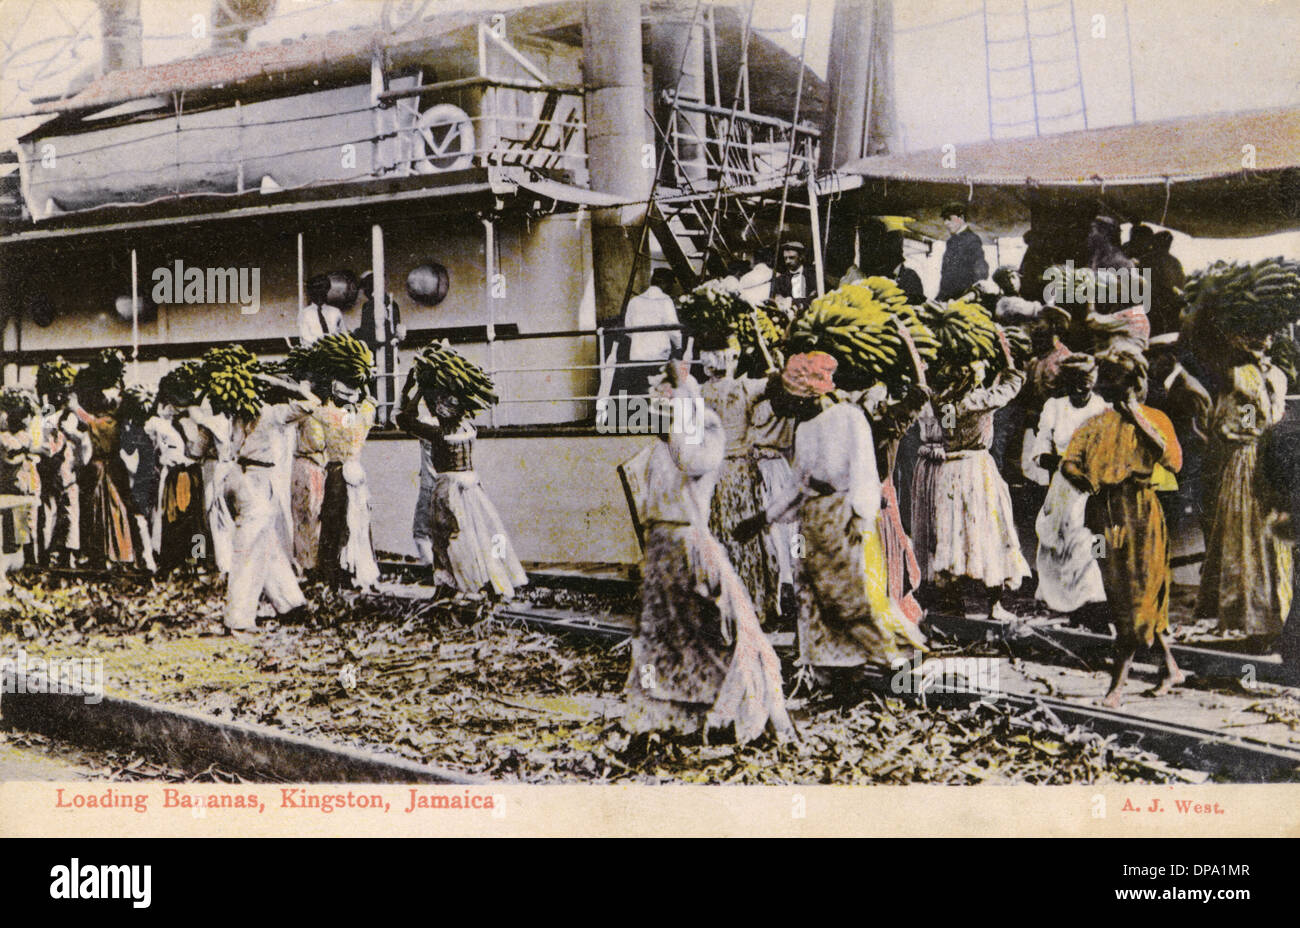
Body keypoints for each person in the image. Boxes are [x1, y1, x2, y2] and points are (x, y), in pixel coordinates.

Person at [623, 361, 793, 745]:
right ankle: (668, 720)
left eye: (668, 394)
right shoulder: (661, 444)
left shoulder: (708, 434)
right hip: (664, 549)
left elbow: (689, 459)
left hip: (692, 545)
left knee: (723, 632)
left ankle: (739, 714)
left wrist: (684, 394)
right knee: (666, 641)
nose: (662, 400)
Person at [736, 353, 925, 687]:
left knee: (854, 594)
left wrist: (859, 514)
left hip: (843, 514)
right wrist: (763, 518)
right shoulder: (804, 428)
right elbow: (798, 484)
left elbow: (865, 468)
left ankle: (893, 657)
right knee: (812, 594)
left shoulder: (848, 417)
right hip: (813, 519)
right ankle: (830, 666)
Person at [1060, 349, 1183, 706]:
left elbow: (1171, 460)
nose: (1118, 390)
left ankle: (1116, 688)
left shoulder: (1156, 418)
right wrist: (1087, 482)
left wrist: (1138, 419)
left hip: (1141, 513)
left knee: (1139, 596)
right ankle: (1170, 668)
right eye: (1112, 382)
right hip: (1104, 515)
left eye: (1122, 382)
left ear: (1135, 384)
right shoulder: (1096, 424)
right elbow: (1070, 462)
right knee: (1123, 599)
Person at [395, 356, 527, 600]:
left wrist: (414, 390)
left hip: (448, 489)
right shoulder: (469, 428)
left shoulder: (438, 433)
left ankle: (449, 585)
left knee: (444, 540)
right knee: (481, 535)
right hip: (472, 486)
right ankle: (491, 583)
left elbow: (403, 419)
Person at [1195, 334, 1292, 643]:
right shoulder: (1236, 376)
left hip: (1274, 456)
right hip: (1249, 459)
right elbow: (1225, 425)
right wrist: (1248, 438)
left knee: (1278, 533)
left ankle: (1280, 613)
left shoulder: (1277, 374)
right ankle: (1252, 616)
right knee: (1249, 535)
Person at [928, 359, 1031, 620]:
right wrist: (1009, 358)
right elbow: (1013, 385)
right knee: (990, 531)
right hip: (976, 469)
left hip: (950, 470)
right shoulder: (979, 401)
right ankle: (994, 605)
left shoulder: (944, 403)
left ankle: (954, 602)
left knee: (955, 533)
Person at [224, 374, 319, 634]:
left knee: (268, 543)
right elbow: (312, 403)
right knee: (250, 548)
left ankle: (289, 602)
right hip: (258, 480)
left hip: (238, 478)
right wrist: (289, 386)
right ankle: (238, 618)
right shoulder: (274, 413)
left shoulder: (239, 413)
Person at [698, 339, 777, 623]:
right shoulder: (744, 388)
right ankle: (754, 605)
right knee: (747, 541)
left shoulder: (699, 393)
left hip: (713, 476)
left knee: (721, 541)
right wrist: (759, 337)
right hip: (741, 475)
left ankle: (726, 607)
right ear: (730, 359)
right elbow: (776, 378)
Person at [1032, 354, 1109, 619]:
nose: (1082, 388)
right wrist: (1064, 463)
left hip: (1091, 486)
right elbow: (1039, 451)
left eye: (1087, 382)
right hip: (1063, 485)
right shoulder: (1054, 407)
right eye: (1076, 381)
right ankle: (1057, 598)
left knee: (1089, 538)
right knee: (1057, 541)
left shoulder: (1101, 407)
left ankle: (1092, 599)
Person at [315, 379, 380, 590]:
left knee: (334, 522)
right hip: (356, 472)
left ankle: (333, 572)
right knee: (357, 522)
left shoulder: (328, 415)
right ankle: (353, 570)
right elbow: (370, 404)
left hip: (337, 472)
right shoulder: (361, 416)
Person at [614, 268, 681, 399]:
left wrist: (641, 341)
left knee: (641, 396)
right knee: (660, 397)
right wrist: (679, 346)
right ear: (664, 283)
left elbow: (629, 330)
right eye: (671, 285)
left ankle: (643, 418)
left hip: (637, 356)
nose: (671, 288)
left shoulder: (634, 301)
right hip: (658, 356)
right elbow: (674, 330)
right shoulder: (665, 300)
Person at [356, 271, 404, 424]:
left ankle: (380, 418)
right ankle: (385, 418)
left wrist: (359, 335)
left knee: (379, 385)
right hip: (385, 352)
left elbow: (367, 333)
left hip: (378, 353)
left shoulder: (371, 306)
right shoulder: (390, 303)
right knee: (386, 385)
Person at [936, 203, 989, 300]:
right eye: (944, 219)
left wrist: (971, 295)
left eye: (949, 218)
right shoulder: (951, 241)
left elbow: (981, 270)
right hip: (947, 297)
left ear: (961, 217)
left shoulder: (972, 239)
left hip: (963, 299)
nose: (945, 223)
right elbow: (947, 275)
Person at [297, 274, 344, 347]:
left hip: (335, 351)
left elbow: (343, 334)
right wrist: (324, 343)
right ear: (310, 292)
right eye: (315, 291)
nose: (319, 294)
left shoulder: (335, 312)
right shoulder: (305, 314)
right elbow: (306, 337)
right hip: (315, 352)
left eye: (322, 291)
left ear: (327, 291)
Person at [770, 241, 818, 311]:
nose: (788, 261)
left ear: (801, 257)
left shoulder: (814, 276)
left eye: (791, 258)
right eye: (785, 258)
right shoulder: (780, 280)